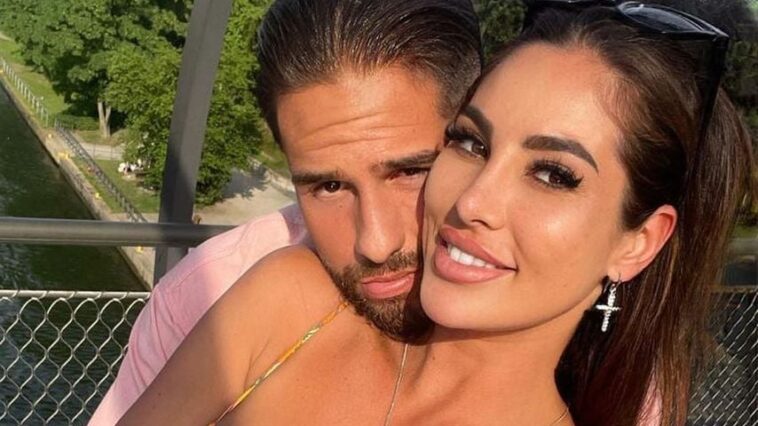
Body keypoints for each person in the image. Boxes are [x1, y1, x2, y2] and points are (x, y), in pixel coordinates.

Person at [118, 1, 754, 425]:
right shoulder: (285, 299)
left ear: (638, 242)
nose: (470, 201)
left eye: (553, 174)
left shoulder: (633, 395)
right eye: (470, 144)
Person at [89, 0, 481, 424]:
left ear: (479, 140)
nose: (377, 243)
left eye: (411, 172)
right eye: (329, 187)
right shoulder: (204, 293)